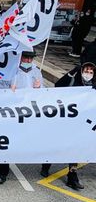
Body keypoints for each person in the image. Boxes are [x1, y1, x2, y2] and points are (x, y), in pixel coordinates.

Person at [40, 61, 95, 189]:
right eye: (86, 71)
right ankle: (46, 164)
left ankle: (72, 176)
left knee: (76, 148)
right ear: (81, 71)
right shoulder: (73, 80)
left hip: (82, 122)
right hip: (66, 119)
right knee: (57, 143)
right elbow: (58, 86)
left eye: (91, 72)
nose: (88, 74)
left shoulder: (93, 86)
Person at [0, 50, 42, 184]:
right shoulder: (10, 71)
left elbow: (42, 93)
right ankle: (3, 172)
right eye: (26, 58)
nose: (28, 61)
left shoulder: (36, 72)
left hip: (27, 113)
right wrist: (9, 92)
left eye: (30, 58)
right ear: (20, 58)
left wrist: (39, 88)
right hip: (11, 113)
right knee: (6, 141)